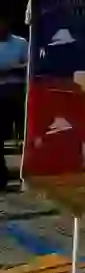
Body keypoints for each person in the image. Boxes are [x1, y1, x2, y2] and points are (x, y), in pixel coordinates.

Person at [0, 13, 27, 190]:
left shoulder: (20, 43)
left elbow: (29, 65)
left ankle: (28, 174)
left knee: (25, 134)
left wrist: (14, 69)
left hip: (17, 91)